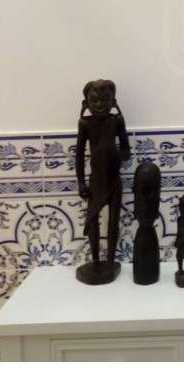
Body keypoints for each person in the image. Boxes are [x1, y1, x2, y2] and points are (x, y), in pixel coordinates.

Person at [74, 79, 131, 284]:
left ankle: (111, 260)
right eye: (95, 100)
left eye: (105, 100)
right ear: (86, 103)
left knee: (113, 221)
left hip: (114, 180)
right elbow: (79, 156)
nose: (100, 105)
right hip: (96, 181)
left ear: (113, 101)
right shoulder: (85, 124)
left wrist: (120, 155)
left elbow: (126, 148)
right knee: (93, 221)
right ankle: (96, 260)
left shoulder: (117, 121)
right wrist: (81, 183)